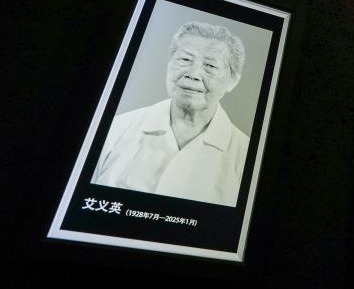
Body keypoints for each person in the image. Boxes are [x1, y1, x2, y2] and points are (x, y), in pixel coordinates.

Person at [93, 21, 249, 206]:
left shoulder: (246, 155)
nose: (193, 74)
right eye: (185, 60)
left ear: (233, 80)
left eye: (210, 66)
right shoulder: (115, 129)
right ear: (169, 64)